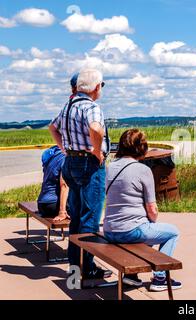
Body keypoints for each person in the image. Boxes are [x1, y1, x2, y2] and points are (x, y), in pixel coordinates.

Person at [48, 68, 111, 279]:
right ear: (95, 87)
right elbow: (96, 129)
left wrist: (65, 149)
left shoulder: (68, 106)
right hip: (89, 165)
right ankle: (87, 267)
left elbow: (52, 127)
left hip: (71, 162)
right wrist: (96, 150)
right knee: (91, 217)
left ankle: (75, 265)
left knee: (75, 216)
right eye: (101, 85)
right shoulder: (91, 107)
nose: (101, 89)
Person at [103, 129, 182, 291]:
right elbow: (152, 209)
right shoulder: (143, 170)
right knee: (172, 232)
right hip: (130, 231)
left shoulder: (110, 167)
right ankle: (160, 277)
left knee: (146, 228)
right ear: (141, 148)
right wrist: (151, 221)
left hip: (109, 230)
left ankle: (131, 276)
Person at [37, 145, 70, 221]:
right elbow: (64, 186)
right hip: (53, 205)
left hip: (42, 204)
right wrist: (62, 212)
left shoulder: (51, 152)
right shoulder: (65, 158)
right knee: (84, 208)